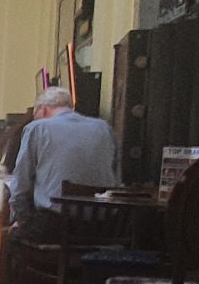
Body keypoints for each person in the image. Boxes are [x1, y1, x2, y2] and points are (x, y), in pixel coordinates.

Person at [7, 84, 118, 239]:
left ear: (42, 110)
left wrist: (23, 220)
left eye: (35, 115)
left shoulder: (37, 128)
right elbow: (115, 175)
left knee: (6, 237)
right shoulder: (104, 128)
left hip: (55, 227)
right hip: (102, 228)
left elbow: (20, 185)